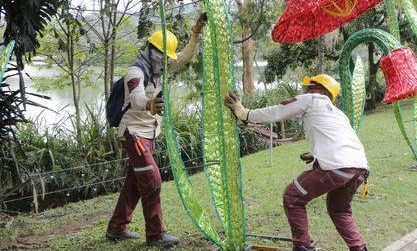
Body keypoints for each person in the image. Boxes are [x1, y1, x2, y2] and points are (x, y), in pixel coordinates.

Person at [224, 74, 369, 251]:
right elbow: (337, 138)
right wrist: (316, 154)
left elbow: (277, 111)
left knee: (293, 197)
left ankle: (302, 246)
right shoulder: (338, 113)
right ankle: (359, 248)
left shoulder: (313, 99)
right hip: (359, 168)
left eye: (311, 87)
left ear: (323, 91)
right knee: (339, 210)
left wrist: (243, 112)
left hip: (335, 164)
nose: (307, 90)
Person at [106, 14, 207, 247]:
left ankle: (116, 227)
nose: (166, 61)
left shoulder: (160, 68)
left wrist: (195, 34)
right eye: (163, 56)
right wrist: (150, 104)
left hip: (148, 135)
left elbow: (185, 56)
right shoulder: (136, 72)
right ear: (152, 52)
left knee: (134, 183)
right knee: (152, 182)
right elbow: (137, 95)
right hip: (134, 134)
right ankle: (155, 234)